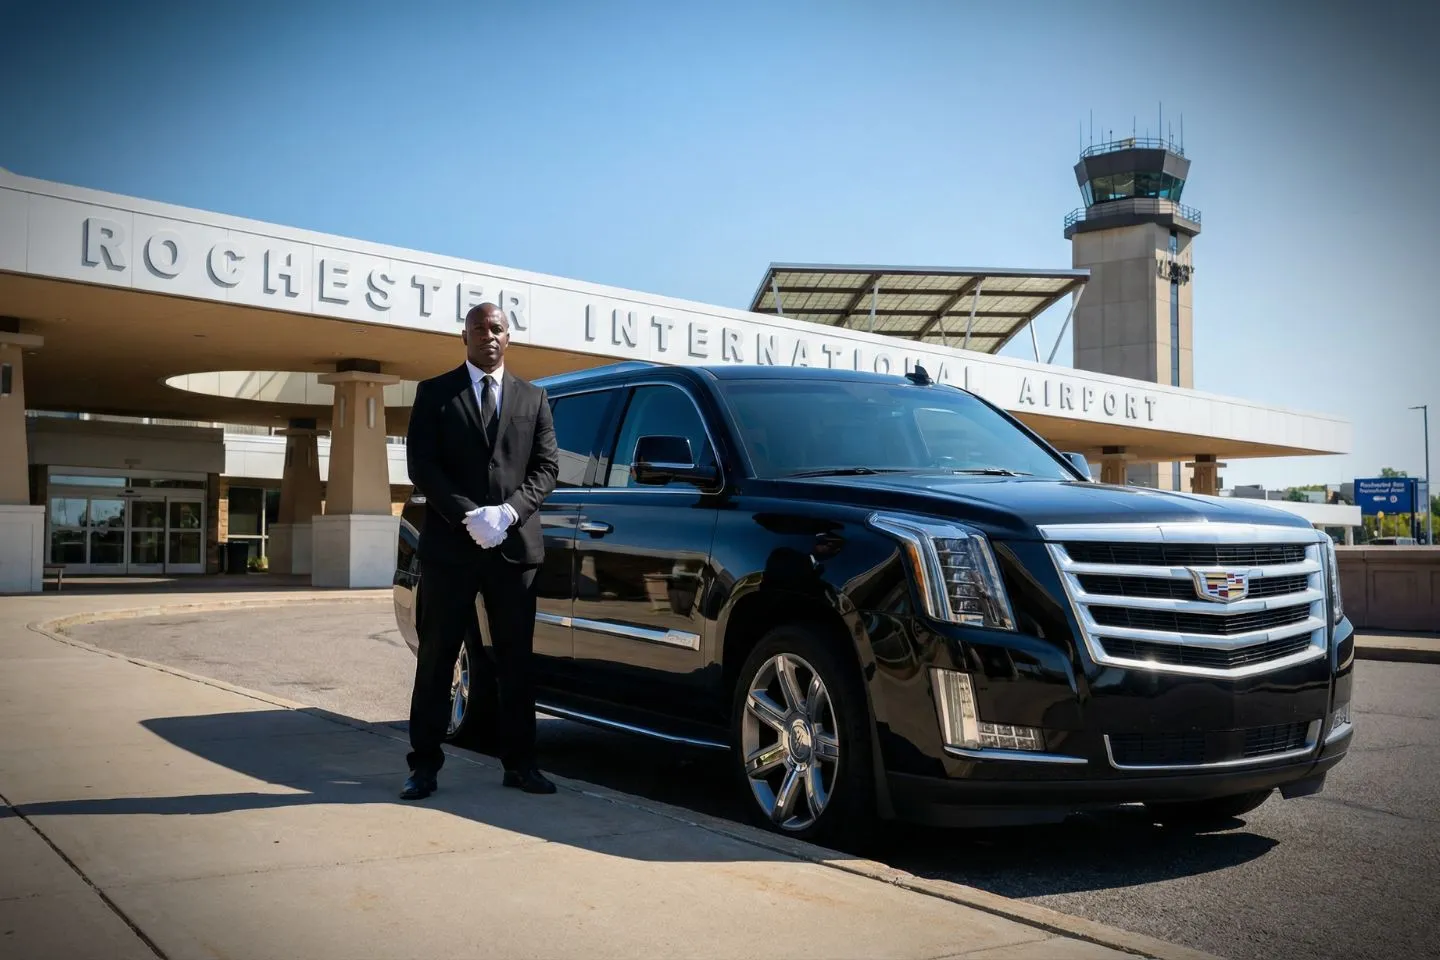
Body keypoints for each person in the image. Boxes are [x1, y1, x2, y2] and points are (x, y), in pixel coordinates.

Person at [400, 301, 559, 799]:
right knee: (437, 657)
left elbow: (547, 468)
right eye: (479, 328)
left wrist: (508, 513)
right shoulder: (434, 393)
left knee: (516, 663)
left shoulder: (534, 398)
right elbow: (422, 465)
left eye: (498, 328)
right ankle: (424, 767)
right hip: (451, 548)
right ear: (464, 336)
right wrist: (468, 515)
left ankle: (520, 765)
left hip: (514, 549)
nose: (489, 335)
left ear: (509, 337)